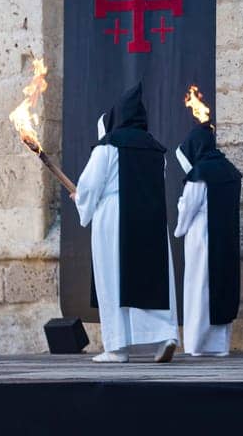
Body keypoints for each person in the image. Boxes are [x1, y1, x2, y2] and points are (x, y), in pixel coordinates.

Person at [75, 83, 179, 364]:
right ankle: (166, 335)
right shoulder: (157, 151)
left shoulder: (108, 146)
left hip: (115, 217)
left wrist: (81, 199)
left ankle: (117, 347)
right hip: (150, 219)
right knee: (153, 277)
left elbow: (90, 185)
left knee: (113, 279)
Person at [174, 117, 242, 357]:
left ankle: (197, 345)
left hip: (202, 239)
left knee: (199, 290)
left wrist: (179, 228)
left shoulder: (200, 174)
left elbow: (188, 208)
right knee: (221, 287)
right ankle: (219, 346)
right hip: (226, 240)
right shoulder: (230, 171)